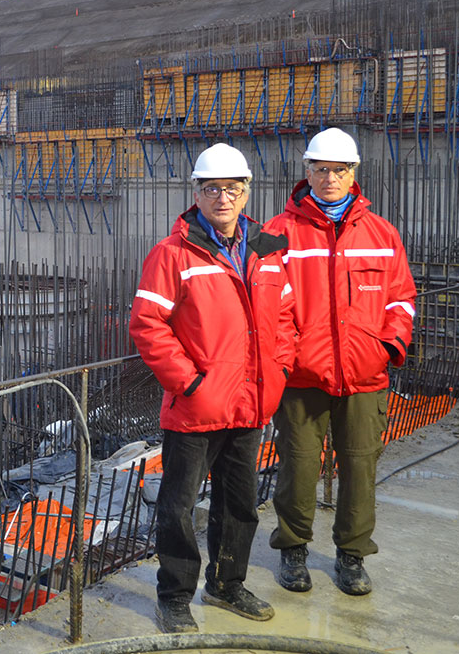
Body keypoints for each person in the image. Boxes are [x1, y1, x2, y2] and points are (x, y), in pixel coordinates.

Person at [129, 143, 297, 633]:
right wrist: (191, 383)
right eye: (211, 188)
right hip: (198, 405)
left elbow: (284, 318)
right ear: (197, 194)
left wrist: (279, 369)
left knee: (239, 503)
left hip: (250, 402)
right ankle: (175, 597)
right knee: (179, 506)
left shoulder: (266, 248)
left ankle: (227, 585)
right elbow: (147, 326)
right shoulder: (172, 253)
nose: (222, 197)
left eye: (231, 188)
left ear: (246, 192)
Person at [265, 127, 416, 597]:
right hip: (302, 379)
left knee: (359, 467)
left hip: (364, 375)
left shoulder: (382, 232)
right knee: (298, 466)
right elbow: (263, 303)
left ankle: (352, 556)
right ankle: (293, 550)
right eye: (321, 169)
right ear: (307, 170)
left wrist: (386, 347)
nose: (330, 178)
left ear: (354, 173)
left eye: (339, 170)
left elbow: (402, 298)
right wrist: (287, 360)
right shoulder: (274, 233)